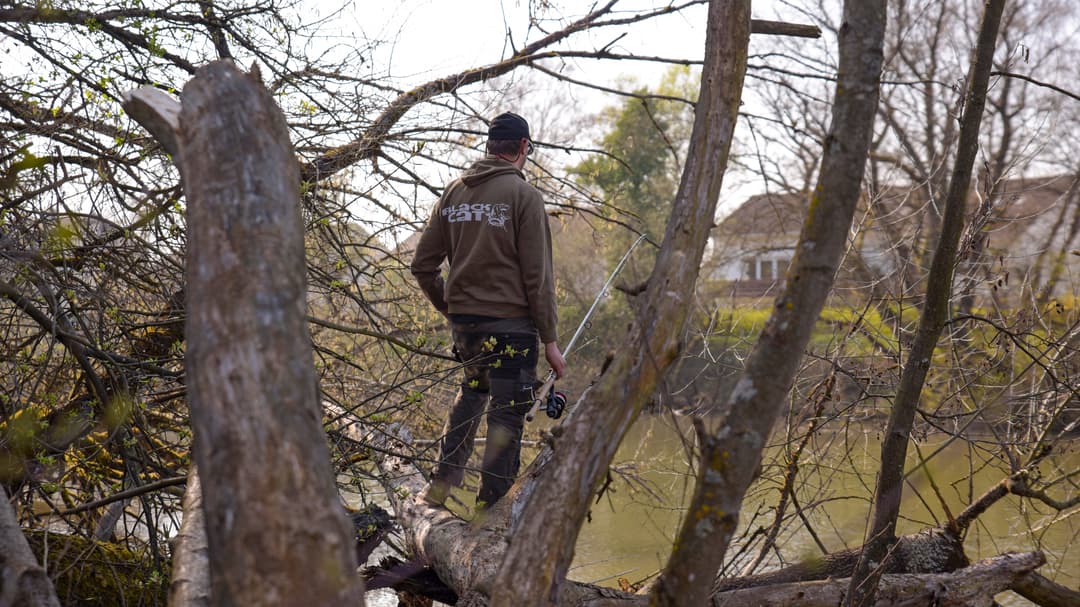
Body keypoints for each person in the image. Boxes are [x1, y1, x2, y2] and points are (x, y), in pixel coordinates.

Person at [410, 112, 567, 509]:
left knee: (472, 393)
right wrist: (550, 341)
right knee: (505, 417)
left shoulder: (453, 193)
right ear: (522, 148)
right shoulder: (525, 197)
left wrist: (453, 309)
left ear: (490, 146)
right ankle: (489, 515)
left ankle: (438, 490)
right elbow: (538, 278)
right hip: (512, 330)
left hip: (467, 329)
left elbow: (422, 266)